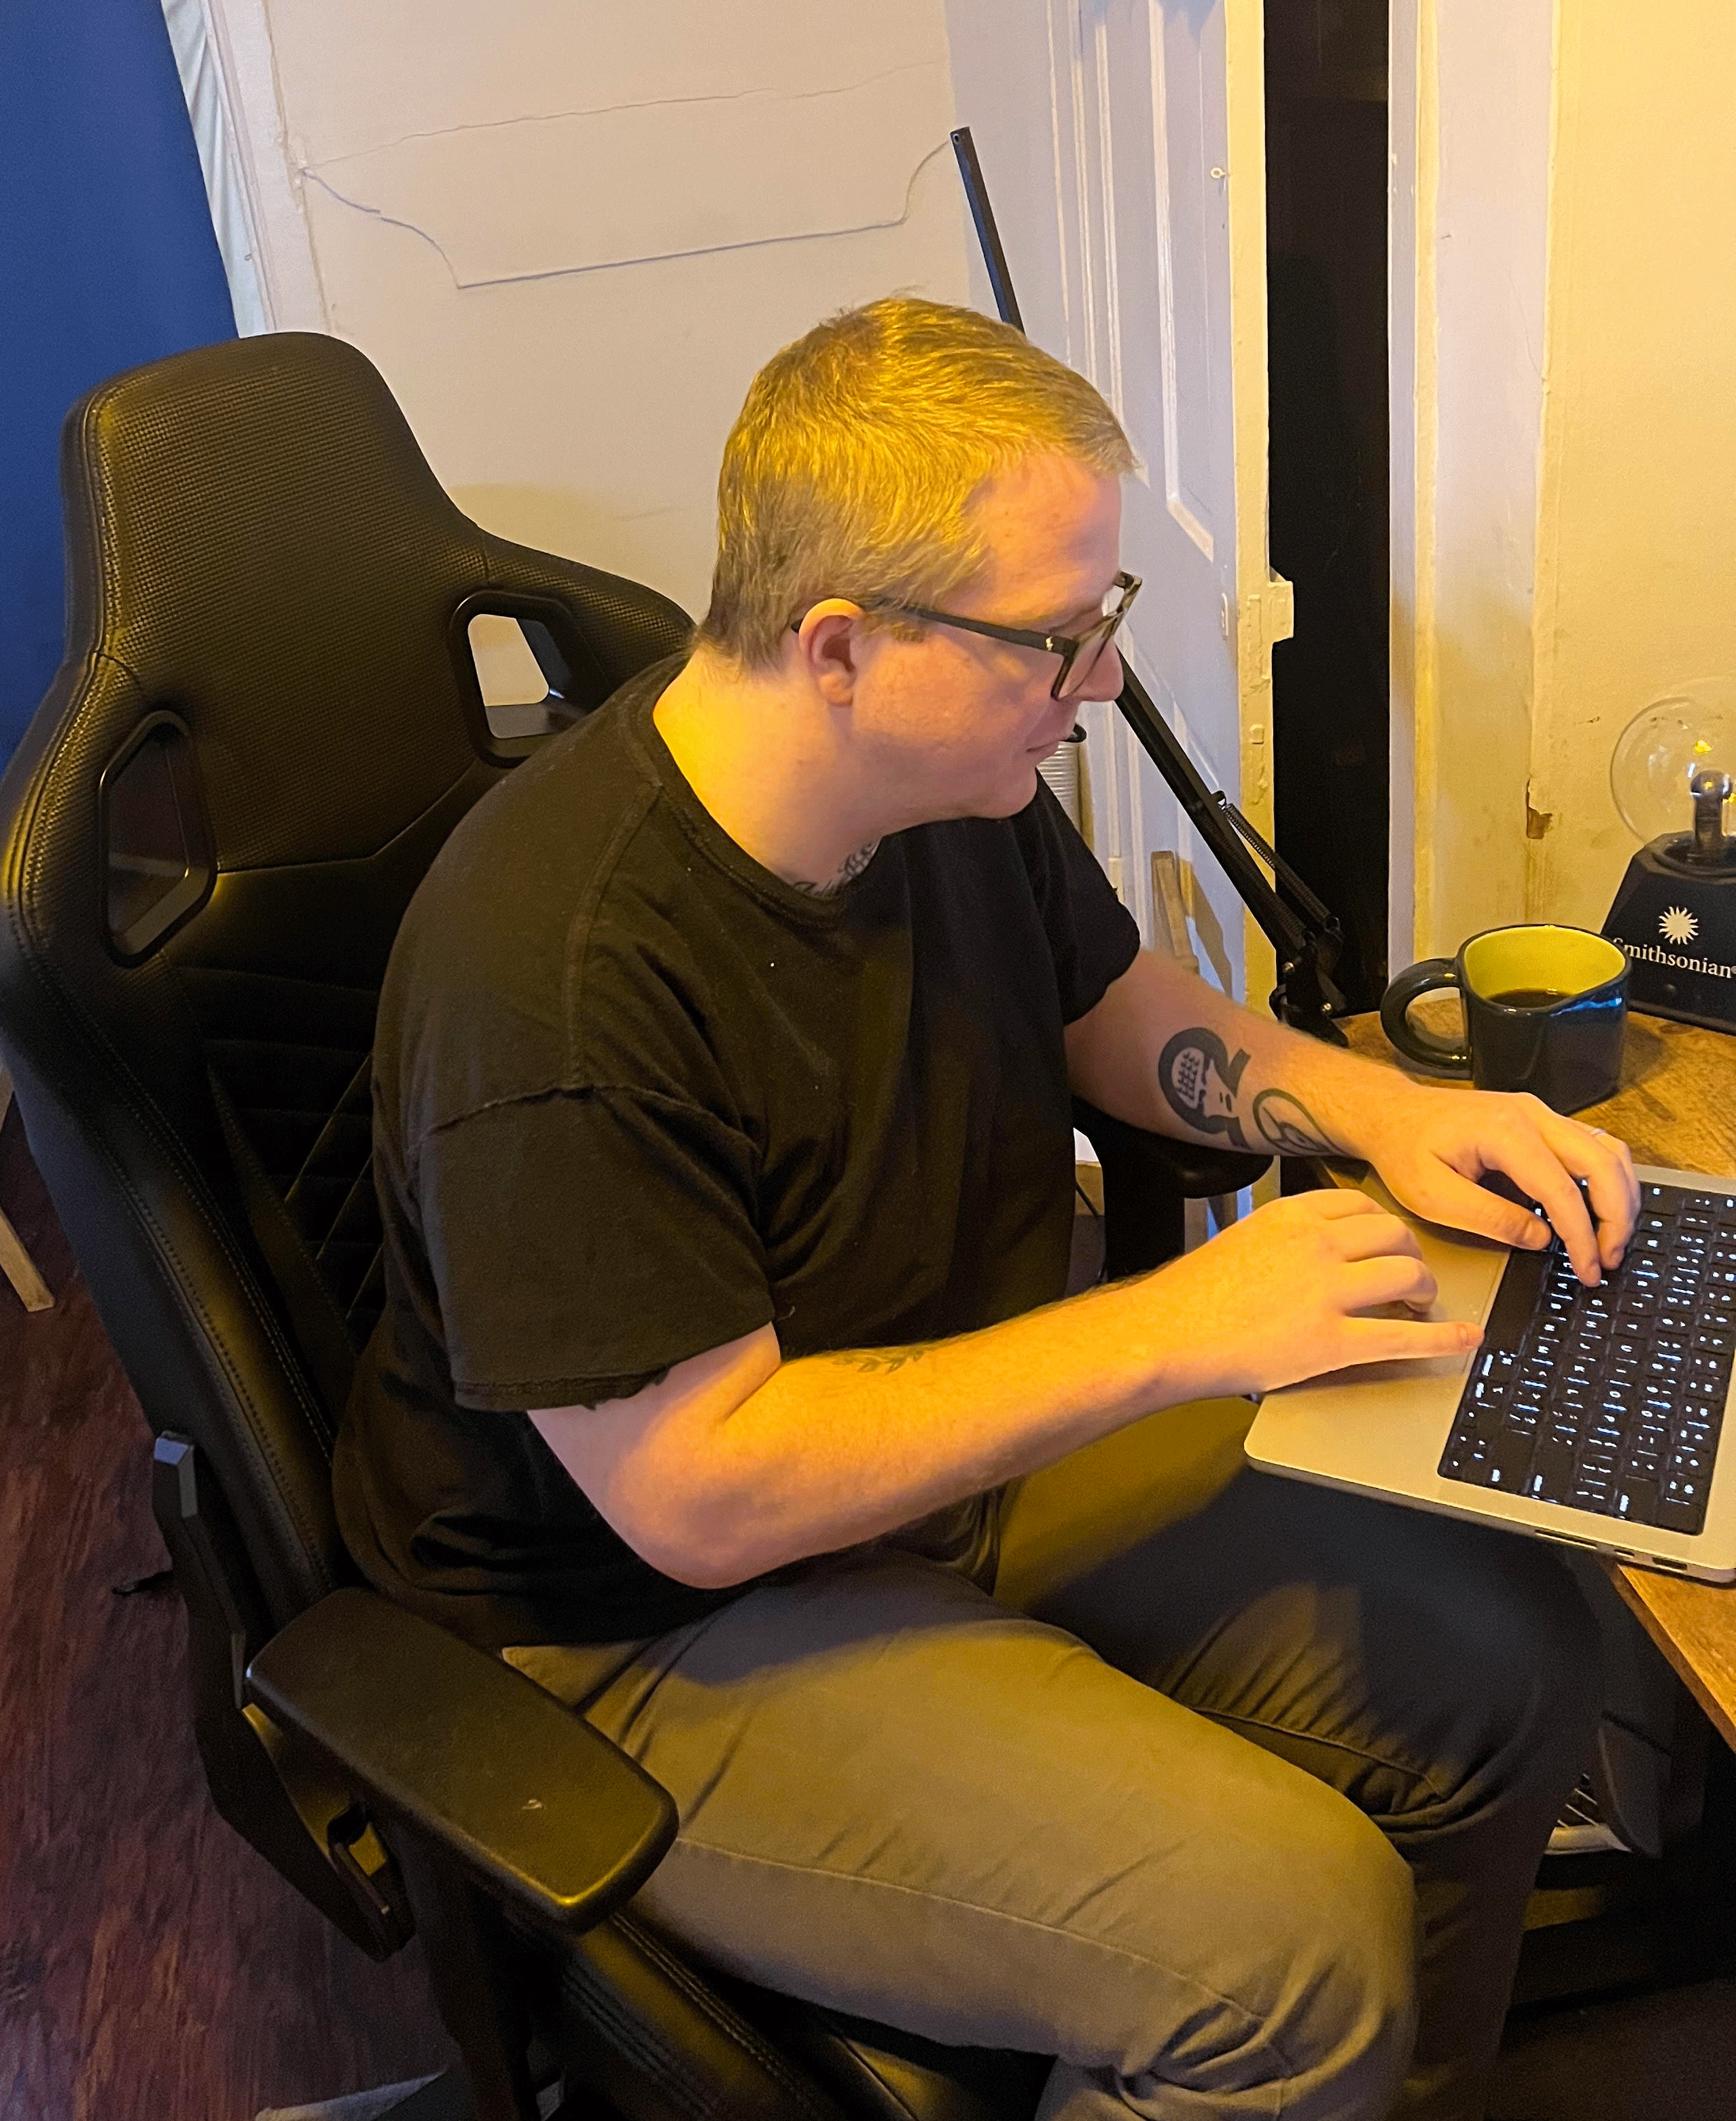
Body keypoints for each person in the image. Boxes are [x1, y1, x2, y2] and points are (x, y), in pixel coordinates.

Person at [336, 298, 1623, 2121]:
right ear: (842, 644)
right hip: (628, 1626)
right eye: (1059, 637)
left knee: (1501, 1664)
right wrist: (1179, 1324)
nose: (1096, 680)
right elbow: (700, 1495)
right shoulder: (551, 976)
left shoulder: (948, 776)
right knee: (1280, 1933)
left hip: (935, 1458)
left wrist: (1377, 1109)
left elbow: (1113, 1013)